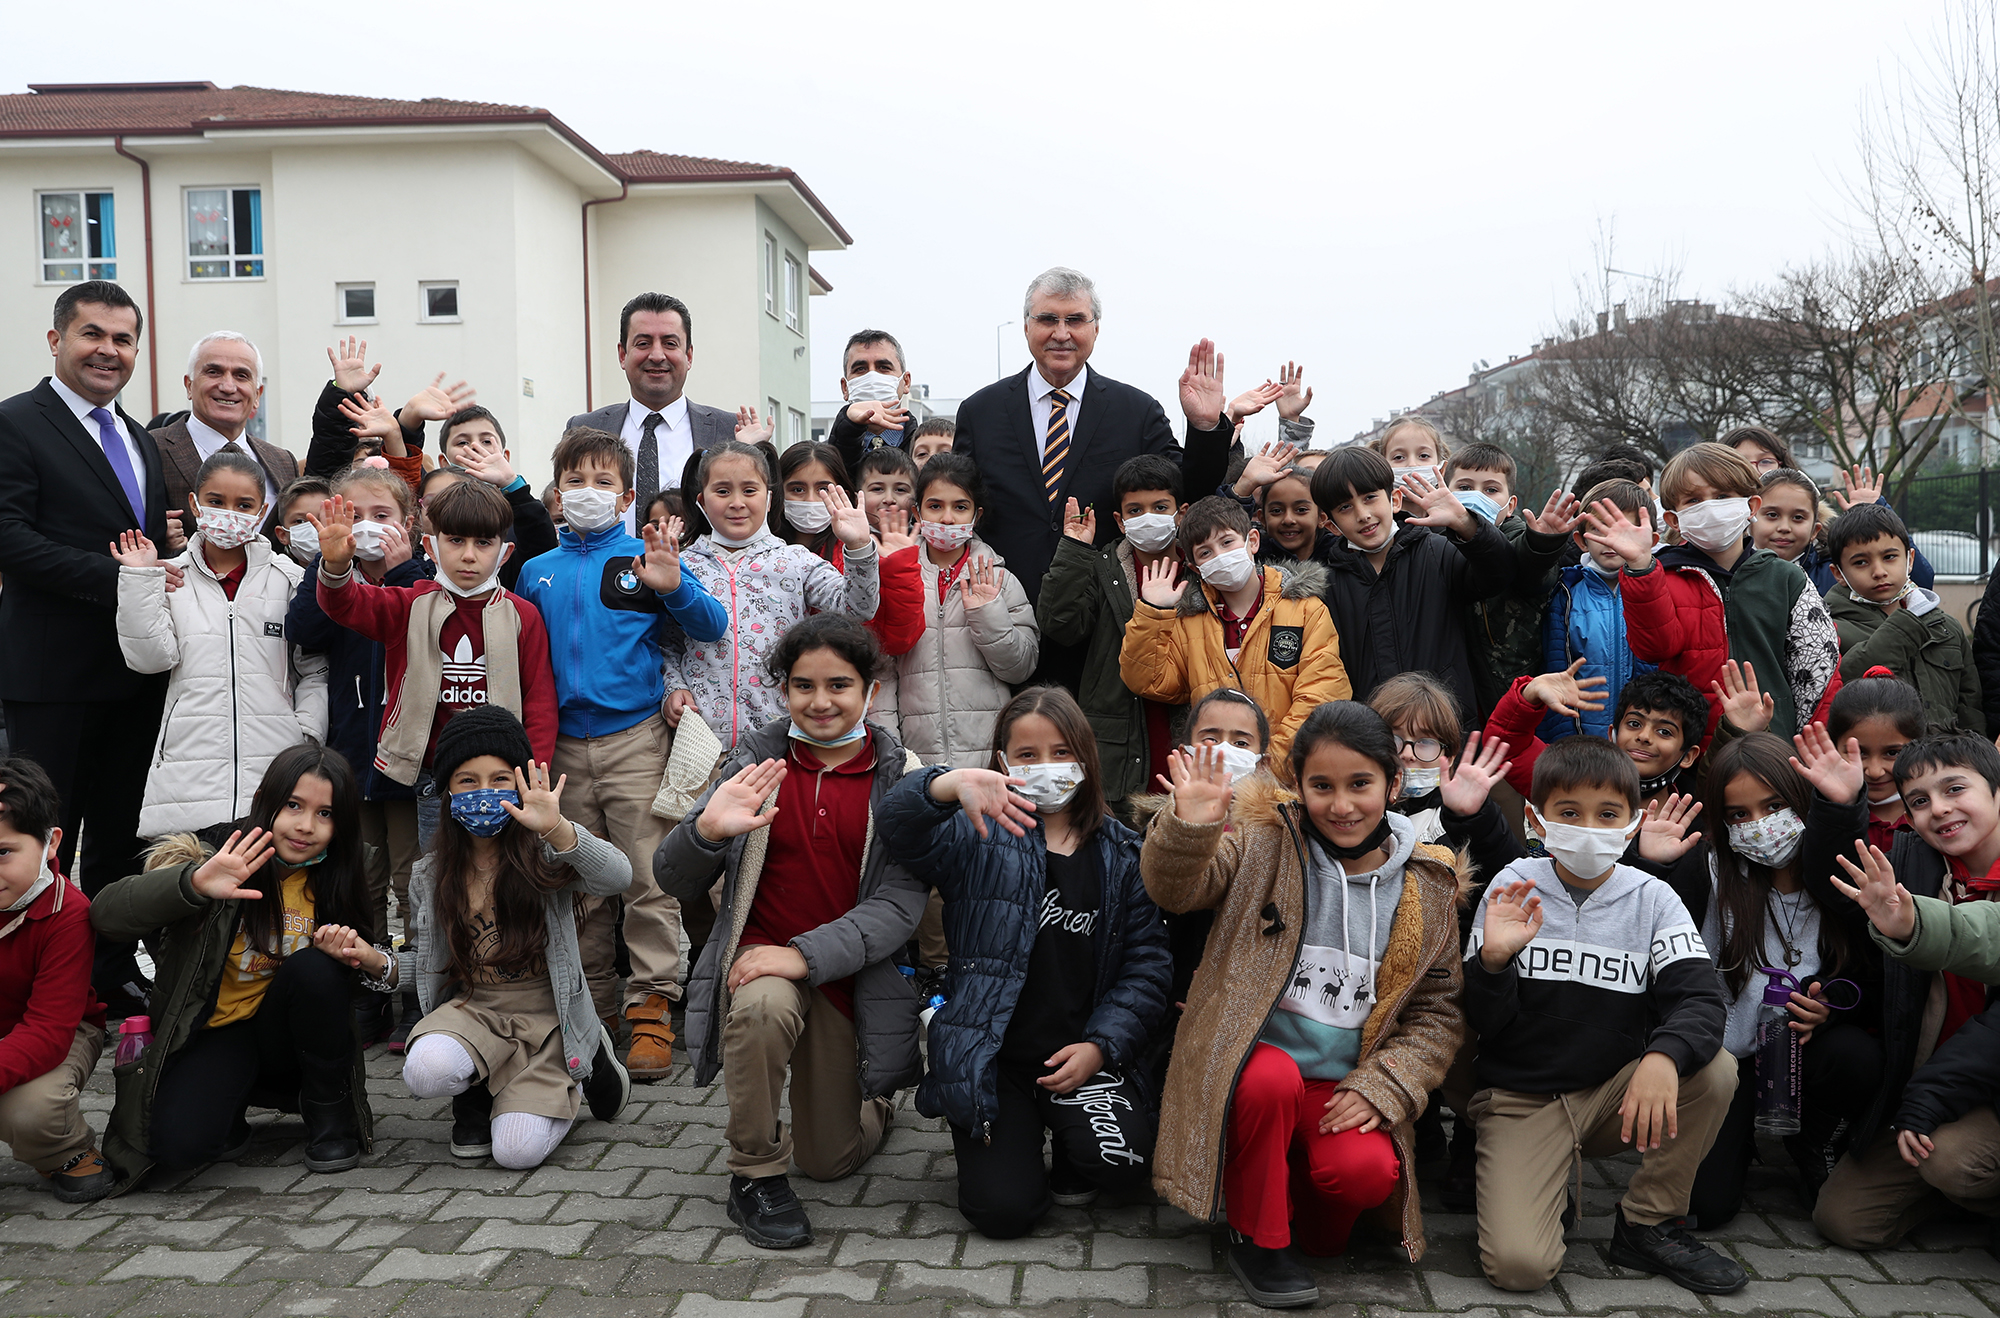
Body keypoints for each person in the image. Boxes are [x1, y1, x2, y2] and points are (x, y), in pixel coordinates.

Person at [1142, 704, 1467, 1307]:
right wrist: (1189, 828)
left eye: (1360, 785)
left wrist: (1385, 1085)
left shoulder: (1428, 883)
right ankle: (1256, 1237)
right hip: (1256, 1064)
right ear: (1297, 783)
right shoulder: (1265, 843)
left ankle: (1280, 1201)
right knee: (1269, 1080)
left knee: (1361, 1180)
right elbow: (1177, 889)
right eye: (1322, 786)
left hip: (1341, 1083)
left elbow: (1437, 1014)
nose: (1342, 805)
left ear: (1392, 785)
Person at [653, 615, 927, 1249]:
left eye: (839, 685)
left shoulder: (902, 778)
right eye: (803, 685)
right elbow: (672, 878)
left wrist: (802, 956)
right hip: (759, 962)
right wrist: (706, 833)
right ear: (784, 691)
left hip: (843, 978)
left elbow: (898, 909)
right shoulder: (751, 764)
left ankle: (874, 1101)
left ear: (870, 692)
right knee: (759, 1010)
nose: (821, 701)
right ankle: (753, 1174)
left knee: (829, 1161)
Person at [879, 686, 1171, 1237]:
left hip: (1079, 1058)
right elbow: (897, 827)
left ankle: (1069, 1142)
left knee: (1121, 1168)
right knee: (1003, 1212)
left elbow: (1147, 967)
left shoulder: (1125, 854)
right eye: (1028, 755)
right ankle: (1015, 1141)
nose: (1047, 767)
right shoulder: (974, 833)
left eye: (1062, 752)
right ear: (1001, 763)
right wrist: (946, 784)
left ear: (1086, 757)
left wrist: (1101, 1047)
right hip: (994, 1061)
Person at [1464, 736, 1744, 1295]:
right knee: (1521, 1268)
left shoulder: (1653, 897)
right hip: (1525, 1099)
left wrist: (1663, 1057)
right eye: (1569, 812)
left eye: (1608, 814)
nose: (1589, 828)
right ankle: (1543, 1184)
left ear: (1633, 822)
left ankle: (1647, 1223)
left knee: (1715, 1070)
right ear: (1536, 819)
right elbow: (1482, 1025)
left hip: (1615, 1095)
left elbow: (1700, 1000)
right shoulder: (1511, 886)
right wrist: (1493, 963)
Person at [512, 427, 727, 1080]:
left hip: (635, 740)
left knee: (645, 879)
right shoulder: (535, 568)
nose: (587, 492)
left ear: (627, 494)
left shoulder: (644, 557)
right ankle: (594, 1010)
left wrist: (673, 586)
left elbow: (709, 627)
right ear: (555, 494)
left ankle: (650, 1013)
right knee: (580, 885)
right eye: (575, 480)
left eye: (603, 481)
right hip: (562, 751)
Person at [92, 746, 385, 1187]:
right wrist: (192, 883)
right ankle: (227, 1106)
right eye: (293, 806)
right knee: (178, 1150)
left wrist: (366, 959)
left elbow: (350, 991)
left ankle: (330, 1115)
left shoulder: (344, 872)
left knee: (315, 969)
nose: (305, 826)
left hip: (287, 1035)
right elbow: (106, 916)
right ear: (266, 799)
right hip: (214, 1032)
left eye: (325, 814)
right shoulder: (217, 851)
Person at [0, 281, 172, 1017]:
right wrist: (121, 578)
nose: (109, 350)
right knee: (44, 836)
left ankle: (106, 972)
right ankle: (32, 986)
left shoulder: (138, 437)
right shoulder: (15, 423)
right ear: (56, 340)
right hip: (52, 675)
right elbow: (11, 540)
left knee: (120, 837)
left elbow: (151, 543)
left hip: (134, 677)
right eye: (93, 334)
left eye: (124, 338)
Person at [378, 705, 632, 1169]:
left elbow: (618, 876)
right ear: (446, 792)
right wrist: (378, 965)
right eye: (467, 781)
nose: (485, 793)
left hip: (550, 1015)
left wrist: (558, 829)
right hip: (475, 1011)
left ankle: (589, 1049)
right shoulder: (430, 874)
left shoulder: (546, 855)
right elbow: (431, 966)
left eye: (500, 780)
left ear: (521, 783)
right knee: (424, 1070)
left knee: (515, 1152)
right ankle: (476, 1096)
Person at [1806, 731, 2000, 1249]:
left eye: (1955, 789)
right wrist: (1841, 806)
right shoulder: (1916, 862)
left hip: (1975, 1087)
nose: (1939, 809)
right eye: (1919, 801)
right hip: (1935, 1088)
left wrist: (1914, 923)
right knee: (1844, 1219)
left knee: (1955, 1161)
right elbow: (1847, 895)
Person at [1680, 731, 1882, 1227]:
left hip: (1803, 1053)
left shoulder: (1843, 885)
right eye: (1738, 815)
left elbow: (1875, 978)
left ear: (1802, 800)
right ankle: (1739, 1136)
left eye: (1774, 805)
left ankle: (1814, 1139)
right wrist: (1655, 862)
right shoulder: (1711, 874)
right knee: (1707, 1207)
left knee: (1856, 1058)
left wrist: (1830, 1012)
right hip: (1727, 1062)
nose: (1761, 826)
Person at [951, 268, 1234, 605]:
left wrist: (1204, 426)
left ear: (1096, 328)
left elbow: (1190, 493)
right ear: (1026, 325)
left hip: (1103, 613)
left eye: (1075, 320)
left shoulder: (1136, 412)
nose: (1061, 333)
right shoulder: (980, 411)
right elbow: (960, 507)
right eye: (1047, 319)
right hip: (1002, 607)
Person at [284, 462, 431, 1046]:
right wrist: (334, 564)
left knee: (413, 882)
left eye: (382, 516)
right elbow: (304, 630)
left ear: (410, 523)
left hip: (406, 765)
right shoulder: (328, 577)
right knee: (358, 883)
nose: (368, 528)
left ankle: (421, 992)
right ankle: (369, 992)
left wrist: (400, 571)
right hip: (349, 761)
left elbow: (423, 627)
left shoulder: (421, 580)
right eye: (354, 516)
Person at [109, 449, 327, 839]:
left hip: (276, 772)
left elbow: (314, 668)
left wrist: (306, 736)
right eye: (215, 501)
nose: (229, 512)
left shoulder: (290, 579)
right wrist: (139, 581)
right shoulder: (172, 578)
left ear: (262, 513)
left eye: (244, 505)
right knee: (193, 891)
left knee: (268, 894)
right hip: (187, 773)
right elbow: (149, 659)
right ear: (194, 504)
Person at [1586, 442, 1841, 741]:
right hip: (1691, 747)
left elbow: (1818, 671)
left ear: (1751, 506)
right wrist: (1641, 567)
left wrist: (1810, 745)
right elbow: (1654, 647)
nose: (1709, 507)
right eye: (1693, 500)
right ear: (1673, 520)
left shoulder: (1787, 578)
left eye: (1722, 496)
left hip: (1773, 744)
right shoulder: (1662, 577)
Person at [663, 441, 881, 752]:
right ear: (701, 501)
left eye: (749, 490)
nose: (737, 502)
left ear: (768, 498)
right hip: (701, 742)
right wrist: (674, 686)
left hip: (778, 740)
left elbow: (858, 608)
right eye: (722, 491)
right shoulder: (683, 564)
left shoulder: (796, 560)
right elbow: (667, 640)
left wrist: (860, 547)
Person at [1120, 495, 1349, 782]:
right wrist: (1153, 612)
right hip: (1212, 778)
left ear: (1252, 541)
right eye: (1205, 553)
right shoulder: (1189, 621)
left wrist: (1266, 766)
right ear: (1194, 568)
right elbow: (1149, 681)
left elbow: (1322, 693)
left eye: (1227, 543)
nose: (1219, 556)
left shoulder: (1305, 609)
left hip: (1286, 779)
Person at [1312, 445, 1515, 718]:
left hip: (1445, 729)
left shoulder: (1439, 551)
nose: (1362, 514)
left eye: (1370, 497)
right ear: (1331, 524)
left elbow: (1499, 574)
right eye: (1345, 507)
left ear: (1395, 499)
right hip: (1371, 738)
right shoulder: (1327, 586)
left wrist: (1466, 524)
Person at [1037, 455, 1187, 808]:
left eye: (1160, 507)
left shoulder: (1200, 567)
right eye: (1136, 510)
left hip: (1181, 729)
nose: (1148, 517)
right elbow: (1061, 624)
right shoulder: (1103, 567)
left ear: (1181, 513)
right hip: (1117, 746)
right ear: (1120, 521)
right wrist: (1074, 549)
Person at [0, 757, 114, 1203]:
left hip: (62, 1032)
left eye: (3, 852)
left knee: (32, 1112)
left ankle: (67, 1151)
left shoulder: (69, 914)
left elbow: (47, 1031)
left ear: (51, 843)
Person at [892, 454, 1040, 766]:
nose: (947, 518)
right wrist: (892, 752)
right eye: (935, 506)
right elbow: (881, 671)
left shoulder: (1000, 579)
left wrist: (988, 613)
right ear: (917, 511)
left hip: (987, 758)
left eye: (960, 507)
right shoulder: (898, 577)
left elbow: (1020, 667)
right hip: (915, 760)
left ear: (976, 514)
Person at [566, 293, 737, 531]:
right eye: (643, 343)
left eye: (670, 343)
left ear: (688, 355)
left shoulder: (729, 430)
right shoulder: (584, 428)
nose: (657, 356)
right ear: (622, 354)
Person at [1444, 443, 1580, 723]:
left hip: (1510, 694)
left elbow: (1531, 571)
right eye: (1465, 487)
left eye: (1491, 490)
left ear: (1510, 505)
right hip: (1453, 694)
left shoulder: (1518, 538)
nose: (1476, 497)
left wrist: (1542, 543)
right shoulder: (1435, 543)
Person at [1826, 504, 1983, 734]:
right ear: (1839, 573)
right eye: (1861, 562)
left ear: (1910, 559)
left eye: (1889, 557)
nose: (1879, 571)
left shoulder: (1947, 627)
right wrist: (1907, 620)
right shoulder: (1829, 629)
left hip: (1945, 762)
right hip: (1877, 766)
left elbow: (1971, 706)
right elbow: (1842, 686)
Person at [1725, 426, 1934, 594]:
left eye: (1765, 461)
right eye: (1738, 462)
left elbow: (1916, 583)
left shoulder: (1830, 557)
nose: (1752, 470)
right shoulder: (1714, 556)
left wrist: (1875, 516)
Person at [1540, 479, 1655, 742]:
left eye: (1624, 531)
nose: (1612, 541)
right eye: (1600, 531)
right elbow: (1556, 666)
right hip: (1581, 737)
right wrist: (1564, 738)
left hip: (1641, 738)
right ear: (1581, 540)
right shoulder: (1566, 593)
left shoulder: (1657, 591)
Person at [150, 331, 297, 528]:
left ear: (257, 395)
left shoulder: (283, 462)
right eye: (213, 372)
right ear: (189, 386)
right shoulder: (149, 449)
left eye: (241, 376)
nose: (228, 386)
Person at [1827, 676, 1927, 853]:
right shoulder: (1820, 814)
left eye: (1892, 753)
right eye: (1858, 752)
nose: (1874, 771)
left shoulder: (1938, 815)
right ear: (1833, 747)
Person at [824, 330, 917, 467]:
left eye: (884, 367)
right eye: (860, 369)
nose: (872, 377)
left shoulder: (926, 452)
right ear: (845, 388)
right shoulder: (824, 460)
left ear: (906, 382)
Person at [271, 475, 332, 566]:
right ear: (282, 535)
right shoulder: (272, 578)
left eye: (323, 518)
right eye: (300, 521)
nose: (314, 528)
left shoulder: (359, 577)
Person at [856, 446, 917, 532]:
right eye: (877, 489)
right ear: (857, 499)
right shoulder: (846, 541)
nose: (889, 499)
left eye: (900, 490)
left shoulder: (928, 544)